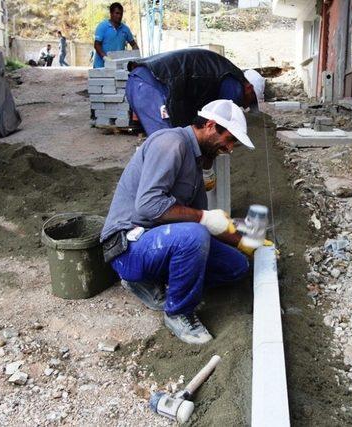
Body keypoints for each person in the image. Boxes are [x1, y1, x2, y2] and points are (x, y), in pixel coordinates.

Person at [100, 100, 271, 344]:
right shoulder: (170, 143)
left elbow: (205, 221)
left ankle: (162, 280)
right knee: (193, 236)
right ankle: (177, 312)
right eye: (230, 139)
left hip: (160, 242)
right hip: (128, 246)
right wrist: (203, 217)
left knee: (236, 266)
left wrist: (244, 242)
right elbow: (148, 205)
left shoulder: (195, 160)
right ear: (211, 126)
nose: (230, 148)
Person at [126, 48, 259, 136]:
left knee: (160, 144)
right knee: (166, 145)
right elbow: (219, 124)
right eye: (250, 100)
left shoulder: (222, 71)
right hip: (152, 86)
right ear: (249, 88)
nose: (246, 106)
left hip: (139, 78)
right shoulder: (235, 86)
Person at [93, 2, 139, 69]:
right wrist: (105, 58)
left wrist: (136, 57)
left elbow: (134, 44)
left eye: (121, 14)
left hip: (118, 67)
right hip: (101, 67)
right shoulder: (102, 27)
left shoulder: (125, 29)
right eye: (117, 13)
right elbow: (97, 45)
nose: (119, 16)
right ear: (111, 13)